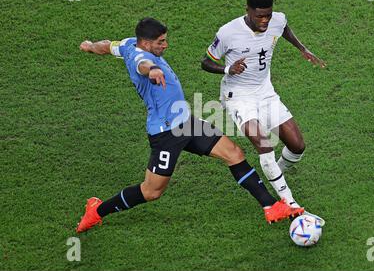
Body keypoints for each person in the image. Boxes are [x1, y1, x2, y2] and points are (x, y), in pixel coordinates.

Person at [76, 17, 304, 233]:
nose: (166, 45)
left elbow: (107, 46)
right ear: (145, 43)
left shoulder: (127, 44)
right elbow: (142, 65)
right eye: (160, 42)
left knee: (234, 153)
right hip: (166, 132)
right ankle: (96, 211)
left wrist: (89, 46)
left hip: (186, 122)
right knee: (151, 191)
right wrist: (153, 70)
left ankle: (270, 206)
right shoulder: (139, 57)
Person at [201, 0, 326, 225]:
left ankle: (273, 173)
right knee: (264, 144)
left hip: (265, 92)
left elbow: (284, 29)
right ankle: (291, 204)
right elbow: (205, 62)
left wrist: (302, 48)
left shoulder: (276, 20)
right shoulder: (228, 32)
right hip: (238, 96)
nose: (265, 20)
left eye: (268, 15)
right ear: (247, 11)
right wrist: (228, 69)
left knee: (297, 146)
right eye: (259, 16)